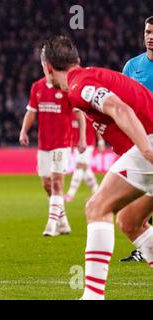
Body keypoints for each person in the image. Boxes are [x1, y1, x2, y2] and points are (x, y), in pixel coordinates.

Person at [41, 35, 153, 300]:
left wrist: (147, 151)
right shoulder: (88, 77)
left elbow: (118, 107)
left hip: (149, 143)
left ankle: (92, 296)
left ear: (47, 67)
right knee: (130, 220)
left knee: (97, 207)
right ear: (76, 60)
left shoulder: (80, 86)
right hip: (145, 143)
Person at [19, 58, 86, 237]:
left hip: (62, 143)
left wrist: (82, 138)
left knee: (57, 183)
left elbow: (79, 115)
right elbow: (31, 112)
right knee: (47, 184)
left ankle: (51, 225)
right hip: (43, 145)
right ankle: (63, 222)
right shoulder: (37, 87)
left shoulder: (65, 87)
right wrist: (23, 131)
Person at [119, 16, 153, 263]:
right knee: (138, 200)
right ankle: (144, 248)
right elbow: (122, 105)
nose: (150, 37)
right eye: (148, 32)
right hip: (139, 141)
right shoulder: (132, 66)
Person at [64, 116, 105, 202]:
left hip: (87, 143)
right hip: (76, 145)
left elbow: (97, 127)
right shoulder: (72, 113)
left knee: (80, 166)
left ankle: (70, 194)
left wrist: (101, 141)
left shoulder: (87, 113)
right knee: (85, 168)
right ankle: (97, 193)